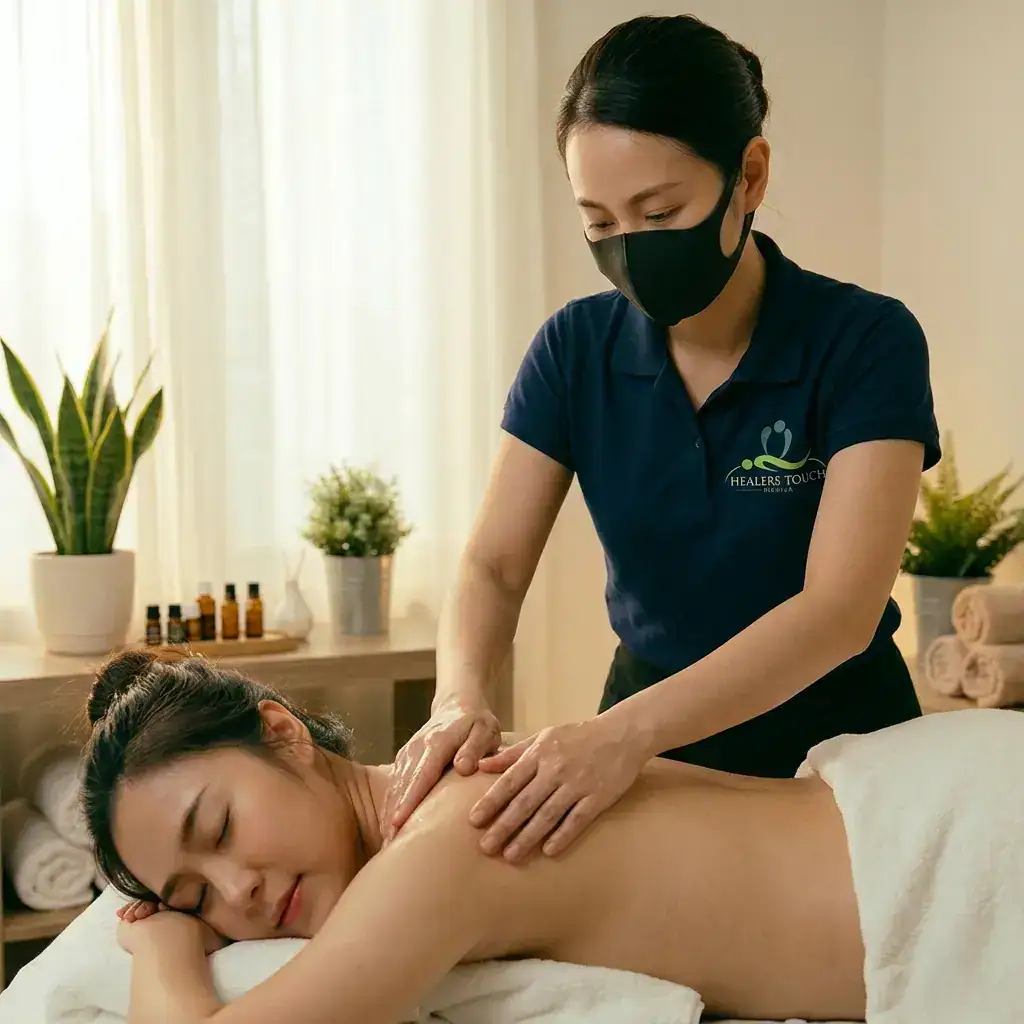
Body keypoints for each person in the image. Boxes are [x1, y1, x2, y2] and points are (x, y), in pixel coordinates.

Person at [383, 13, 941, 863]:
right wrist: (457, 697)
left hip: (845, 758)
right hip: (647, 758)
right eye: (600, 223)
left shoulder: (866, 341)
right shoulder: (574, 351)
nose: (631, 248)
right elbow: (493, 566)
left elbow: (838, 611)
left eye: (660, 210)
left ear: (749, 175)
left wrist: (622, 735)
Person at [90, 650, 868, 1023]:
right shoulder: (439, 802)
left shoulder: (445, 843)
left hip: (911, 868)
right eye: (194, 899)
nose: (238, 891)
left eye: (221, 827)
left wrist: (162, 946)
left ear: (283, 732)